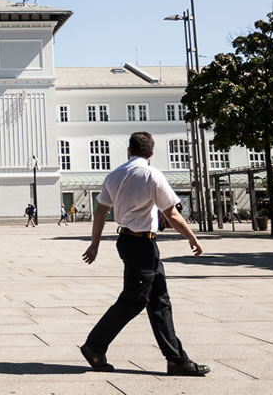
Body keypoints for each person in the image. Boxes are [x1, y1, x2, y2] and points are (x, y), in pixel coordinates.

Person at [79, 132, 209, 377]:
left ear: (129, 150)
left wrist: (94, 244)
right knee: (134, 300)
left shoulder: (114, 175)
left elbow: (100, 212)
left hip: (128, 241)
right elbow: (171, 215)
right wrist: (192, 237)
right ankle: (94, 346)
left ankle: (176, 359)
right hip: (143, 244)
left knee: (160, 301)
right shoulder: (152, 175)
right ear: (151, 153)